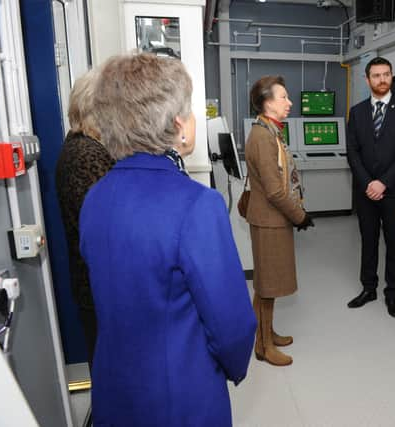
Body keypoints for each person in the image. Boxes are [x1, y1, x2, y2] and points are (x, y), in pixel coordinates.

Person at [80, 53, 256, 427]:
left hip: (114, 389)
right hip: (179, 397)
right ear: (179, 125)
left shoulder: (96, 197)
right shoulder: (197, 205)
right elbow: (233, 325)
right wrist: (231, 368)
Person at [245, 75, 313, 366]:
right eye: (284, 97)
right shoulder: (262, 137)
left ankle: (267, 332)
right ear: (267, 102)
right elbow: (274, 190)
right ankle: (262, 346)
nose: (290, 102)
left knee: (267, 284)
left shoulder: (270, 131)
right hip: (270, 220)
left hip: (273, 219)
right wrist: (299, 215)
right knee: (267, 285)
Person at [346, 57, 395, 318]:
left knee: (394, 241)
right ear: (367, 80)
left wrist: (383, 182)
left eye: (386, 74)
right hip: (365, 192)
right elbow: (352, 152)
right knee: (368, 240)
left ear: (392, 76)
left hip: (394, 190)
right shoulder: (357, 112)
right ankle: (369, 288)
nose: (382, 79)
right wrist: (368, 183)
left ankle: (392, 292)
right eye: (376, 75)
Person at [55, 68, 115, 368]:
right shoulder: (87, 156)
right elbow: (109, 227)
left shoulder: (78, 147)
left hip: (93, 286)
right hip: (99, 290)